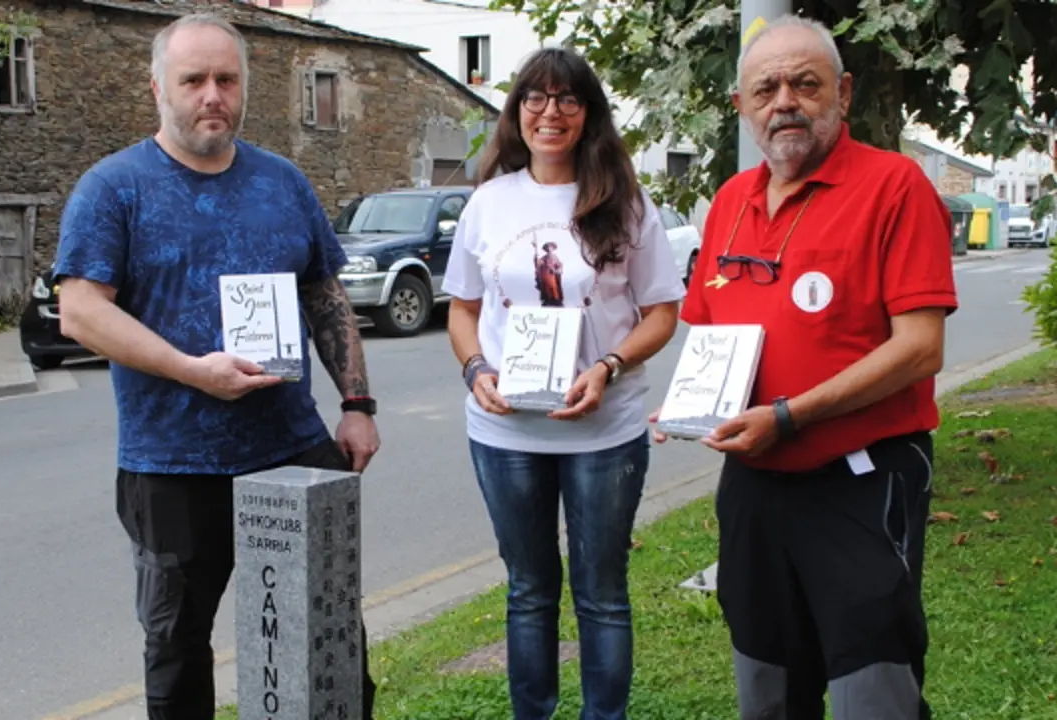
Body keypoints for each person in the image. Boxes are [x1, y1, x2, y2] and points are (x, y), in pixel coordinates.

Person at [53, 13, 380, 720]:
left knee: (327, 639)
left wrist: (357, 404)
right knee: (177, 652)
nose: (212, 95)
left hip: (293, 450)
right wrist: (190, 369)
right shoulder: (113, 188)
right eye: (193, 79)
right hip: (170, 464)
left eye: (226, 79)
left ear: (243, 88)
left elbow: (323, 291)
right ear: (158, 88)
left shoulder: (283, 182)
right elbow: (80, 311)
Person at [651, 15, 958, 720]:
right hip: (754, 488)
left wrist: (790, 415)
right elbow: (710, 333)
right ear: (742, 108)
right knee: (765, 679)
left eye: (804, 83)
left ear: (842, 94)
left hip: (862, 479)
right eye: (765, 89)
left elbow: (920, 347)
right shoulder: (730, 201)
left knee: (870, 689)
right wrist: (692, 406)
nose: (784, 100)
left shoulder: (894, 187)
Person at [442, 47, 686, 720]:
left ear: (589, 114)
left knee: (602, 592)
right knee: (528, 589)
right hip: (505, 428)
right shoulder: (488, 203)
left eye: (568, 99)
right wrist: (475, 370)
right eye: (535, 98)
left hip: (605, 431)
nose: (550, 113)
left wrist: (608, 367)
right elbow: (462, 309)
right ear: (517, 110)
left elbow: (663, 310)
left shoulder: (624, 202)